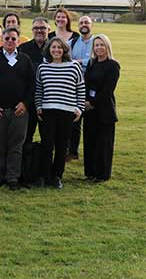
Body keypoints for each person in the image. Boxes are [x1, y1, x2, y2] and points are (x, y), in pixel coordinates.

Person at [0, 27, 35, 190]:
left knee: (16, 145)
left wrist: (25, 103)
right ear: (1, 41)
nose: (10, 41)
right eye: (7, 38)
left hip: (19, 111)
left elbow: (31, 85)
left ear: (18, 41)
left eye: (13, 39)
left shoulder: (25, 60)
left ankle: (13, 177)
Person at [35, 37, 85, 189]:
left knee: (62, 146)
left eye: (59, 47)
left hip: (67, 112)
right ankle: (45, 175)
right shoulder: (43, 67)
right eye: (53, 47)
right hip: (48, 111)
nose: (56, 50)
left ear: (64, 50)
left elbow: (80, 89)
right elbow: (39, 89)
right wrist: (38, 106)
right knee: (47, 145)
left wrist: (79, 108)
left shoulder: (74, 66)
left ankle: (57, 176)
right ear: (49, 50)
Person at [83, 34, 120, 182]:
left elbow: (108, 90)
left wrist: (92, 102)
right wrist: (85, 100)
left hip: (104, 109)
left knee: (103, 143)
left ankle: (102, 174)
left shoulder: (113, 65)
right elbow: (86, 84)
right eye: (96, 45)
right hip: (89, 110)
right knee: (90, 141)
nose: (99, 48)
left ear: (107, 47)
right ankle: (90, 172)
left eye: (101, 45)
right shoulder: (92, 63)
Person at [18, 17, 50, 184]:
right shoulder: (23, 48)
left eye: (43, 28)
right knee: (25, 138)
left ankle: (44, 174)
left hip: (49, 101)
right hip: (29, 102)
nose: (39, 31)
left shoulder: (55, 47)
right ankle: (24, 172)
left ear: (48, 29)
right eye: (36, 28)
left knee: (48, 140)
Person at [68, 15, 95, 159]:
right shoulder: (73, 42)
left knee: (90, 121)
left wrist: (79, 61)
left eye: (87, 22)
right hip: (75, 85)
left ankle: (91, 153)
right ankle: (72, 151)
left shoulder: (97, 41)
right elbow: (67, 59)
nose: (84, 25)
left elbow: (96, 59)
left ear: (92, 25)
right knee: (74, 119)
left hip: (92, 85)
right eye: (81, 23)